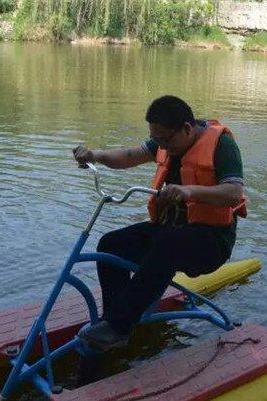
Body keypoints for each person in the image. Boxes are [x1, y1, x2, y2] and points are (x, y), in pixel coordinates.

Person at [72, 95, 246, 351]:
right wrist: (94, 156)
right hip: (172, 232)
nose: (160, 146)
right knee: (111, 244)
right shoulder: (168, 139)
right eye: (157, 140)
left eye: (164, 140)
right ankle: (113, 322)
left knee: (168, 242)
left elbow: (233, 193)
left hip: (211, 242)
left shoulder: (222, 145)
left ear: (186, 128)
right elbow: (130, 155)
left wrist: (190, 191)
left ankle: (119, 324)